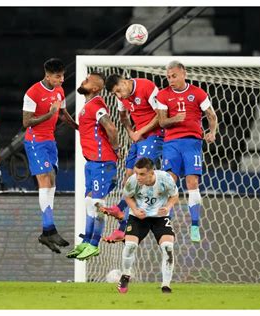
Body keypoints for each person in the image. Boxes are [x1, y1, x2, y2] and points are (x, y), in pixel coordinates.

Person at [156, 60, 218, 242]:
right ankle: (167, 224)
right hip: (171, 143)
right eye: (168, 77)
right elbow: (162, 122)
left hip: (192, 142)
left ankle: (195, 226)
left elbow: (211, 115)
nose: (171, 80)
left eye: (174, 76)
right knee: (170, 183)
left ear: (184, 73)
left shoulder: (198, 93)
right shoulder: (163, 95)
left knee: (192, 183)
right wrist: (175, 118)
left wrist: (212, 132)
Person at [22, 58, 78, 253]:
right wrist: (49, 113)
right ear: (47, 75)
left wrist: (78, 127)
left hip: (49, 141)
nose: (61, 80)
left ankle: (47, 231)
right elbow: (26, 122)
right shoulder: (33, 92)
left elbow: (62, 113)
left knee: (52, 181)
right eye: (57, 76)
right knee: (45, 179)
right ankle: (49, 228)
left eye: (62, 76)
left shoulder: (59, 91)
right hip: (35, 141)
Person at [101, 74, 163, 243]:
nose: (119, 96)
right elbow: (123, 117)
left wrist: (139, 132)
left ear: (124, 82)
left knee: (138, 179)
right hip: (139, 137)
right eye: (115, 93)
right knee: (128, 177)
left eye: (119, 90)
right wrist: (131, 133)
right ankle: (120, 208)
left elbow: (161, 115)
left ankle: (123, 228)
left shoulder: (146, 86)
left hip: (154, 136)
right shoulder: (121, 96)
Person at [66, 72, 119, 260]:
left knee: (97, 203)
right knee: (89, 202)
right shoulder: (87, 107)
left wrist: (115, 148)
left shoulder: (97, 105)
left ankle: (94, 244)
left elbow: (111, 128)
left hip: (102, 162)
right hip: (92, 162)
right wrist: (67, 119)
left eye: (87, 81)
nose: (83, 81)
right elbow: (87, 130)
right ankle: (86, 241)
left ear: (95, 88)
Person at [117, 158, 178, 294]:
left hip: (160, 217)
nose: (138, 177)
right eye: (137, 173)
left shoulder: (165, 179)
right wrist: (135, 209)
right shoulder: (132, 180)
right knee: (130, 246)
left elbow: (175, 195)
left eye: (142, 174)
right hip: (139, 217)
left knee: (168, 248)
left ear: (152, 173)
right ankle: (126, 274)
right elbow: (127, 196)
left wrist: (168, 207)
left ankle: (166, 285)